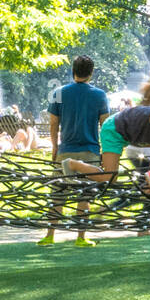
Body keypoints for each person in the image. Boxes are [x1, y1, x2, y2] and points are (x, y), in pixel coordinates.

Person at [65, 92, 150, 236]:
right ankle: (73, 164)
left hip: (129, 136)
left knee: (146, 186)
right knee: (109, 178)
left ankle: (141, 225)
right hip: (113, 129)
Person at [39, 56, 111, 247]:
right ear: (92, 72)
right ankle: (81, 237)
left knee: (58, 193)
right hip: (90, 151)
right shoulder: (100, 95)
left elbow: (53, 124)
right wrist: (105, 151)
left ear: (73, 71)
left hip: (65, 151)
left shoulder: (59, 93)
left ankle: (50, 235)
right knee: (85, 195)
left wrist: (55, 147)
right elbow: (105, 126)